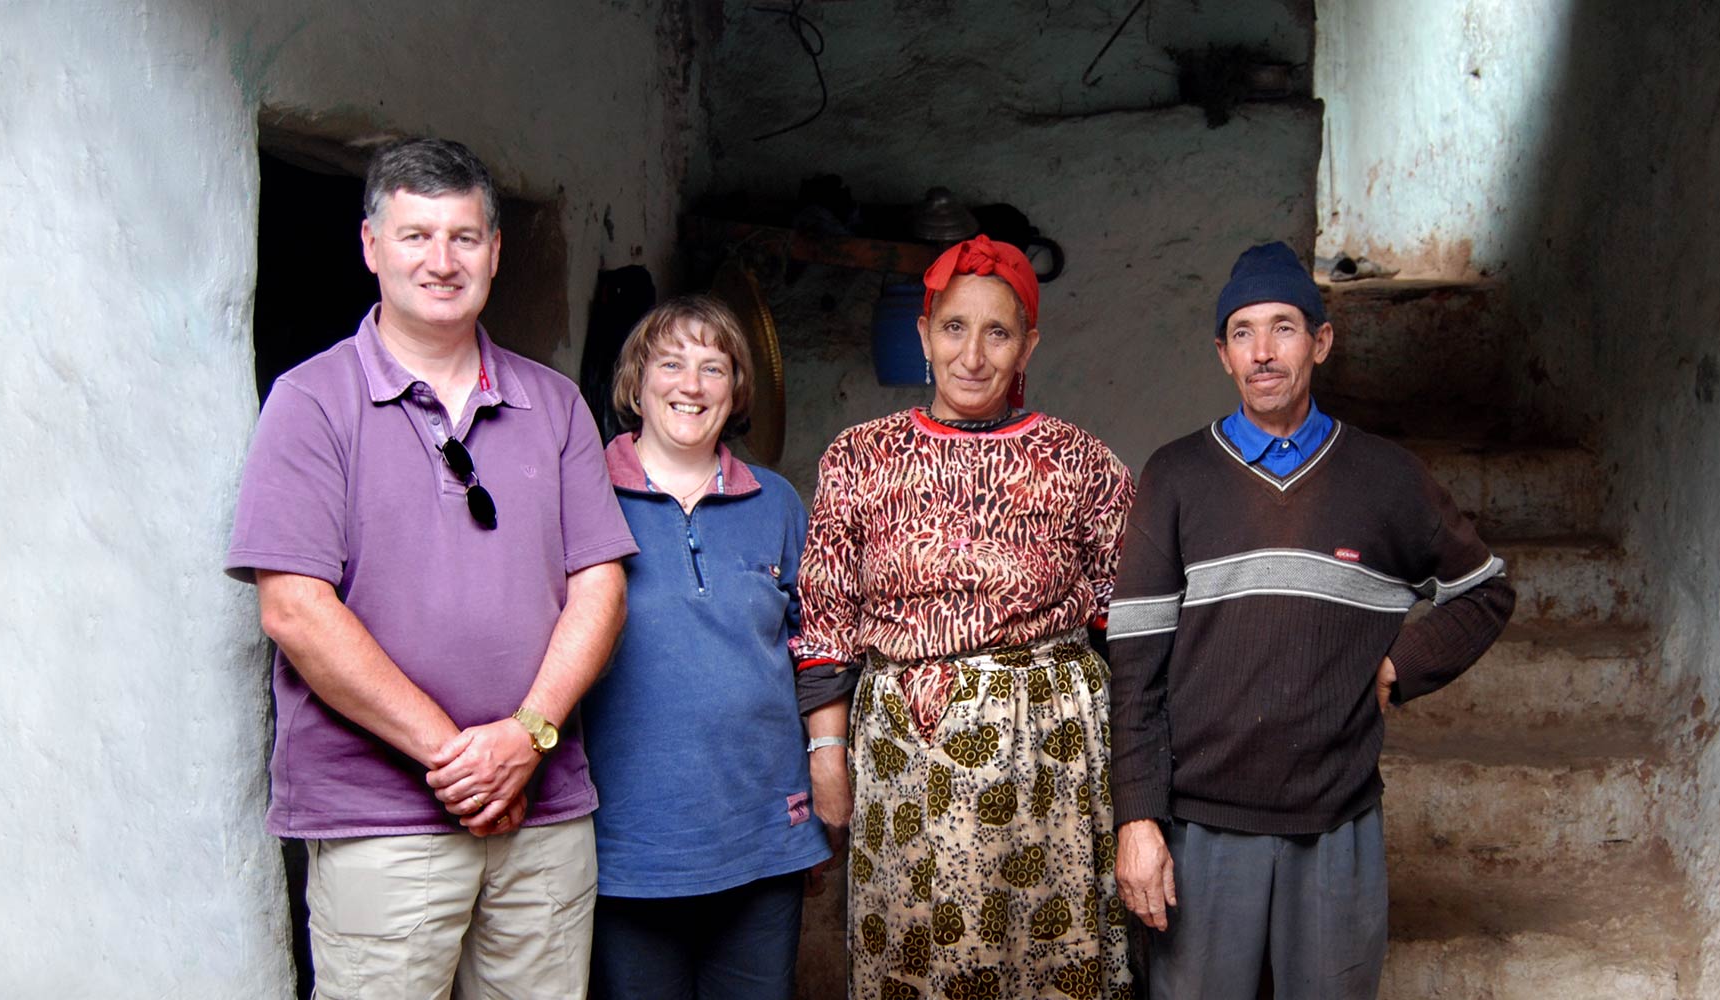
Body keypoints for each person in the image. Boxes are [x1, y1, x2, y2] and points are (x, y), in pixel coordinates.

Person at [225, 137, 635, 999]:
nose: (440, 261)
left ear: (495, 251)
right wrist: (459, 758)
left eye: (463, 237)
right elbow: (295, 609)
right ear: (371, 247)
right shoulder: (309, 402)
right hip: (381, 821)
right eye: (415, 236)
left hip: (545, 813)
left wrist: (526, 738)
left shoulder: (555, 404)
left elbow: (600, 586)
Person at [1105, 241, 1516, 1000]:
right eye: (1243, 333)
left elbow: (1485, 591)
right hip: (1201, 826)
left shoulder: (1387, 478)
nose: (1263, 352)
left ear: (1322, 342)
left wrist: (1398, 666)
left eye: (1285, 328)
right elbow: (1134, 668)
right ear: (1222, 354)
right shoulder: (1178, 476)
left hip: (1336, 821)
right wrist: (1138, 821)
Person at [793, 235, 1137, 1000]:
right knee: (916, 961)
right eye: (953, 327)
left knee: (1046, 961)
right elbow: (825, 619)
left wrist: (1139, 783)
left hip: (1050, 762)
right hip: (902, 762)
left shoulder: (1083, 463)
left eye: (998, 332)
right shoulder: (859, 458)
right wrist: (826, 756)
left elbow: (1130, 629)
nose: (973, 355)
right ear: (922, 335)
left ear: (1029, 345)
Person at [580, 294, 830, 999]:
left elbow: (812, 648)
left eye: (713, 368)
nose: (691, 386)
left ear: (736, 390)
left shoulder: (776, 502)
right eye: (671, 363)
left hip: (761, 839)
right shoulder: (585, 495)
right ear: (636, 381)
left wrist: (823, 775)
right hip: (632, 845)